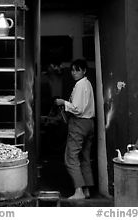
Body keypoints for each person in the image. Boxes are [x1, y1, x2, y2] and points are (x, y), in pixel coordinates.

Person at [55, 58, 95, 200]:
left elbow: (77, 109)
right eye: (72, 70)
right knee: (84, 157)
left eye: (77, 70)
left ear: (84, 71)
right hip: (90, 124)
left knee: (71, 158)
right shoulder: (88, 84)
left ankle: (78, 191)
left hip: (79, 124)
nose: (74, 73)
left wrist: (63, 102)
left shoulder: (79, 85)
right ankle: (87, 190)